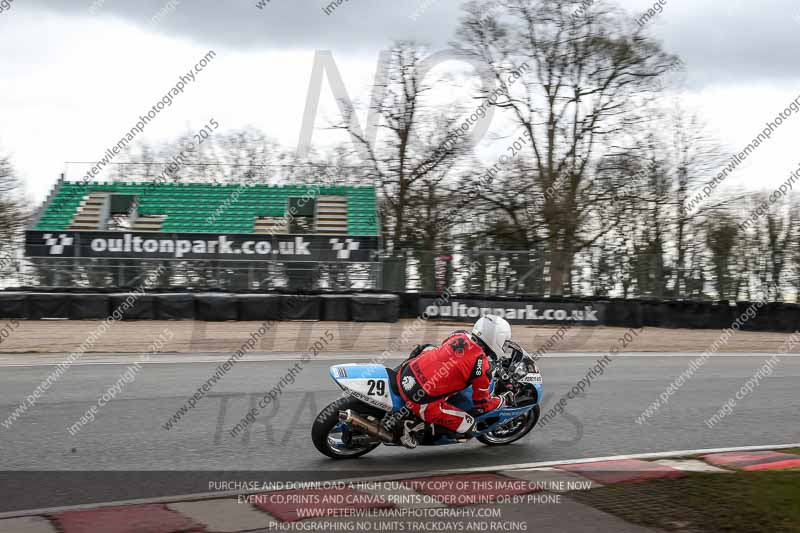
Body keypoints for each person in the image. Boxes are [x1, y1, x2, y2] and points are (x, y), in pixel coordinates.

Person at [394, 314, 512, 448]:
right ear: (497, 338)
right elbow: (482, 405)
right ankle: (411, 427)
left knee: (429, 348)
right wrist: (503, 400)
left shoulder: (459, 335)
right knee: (469, 425)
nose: (504, 345)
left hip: (404, 372)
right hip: (419, 401)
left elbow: (450, 353)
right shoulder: (482, 367)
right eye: (504, 341)